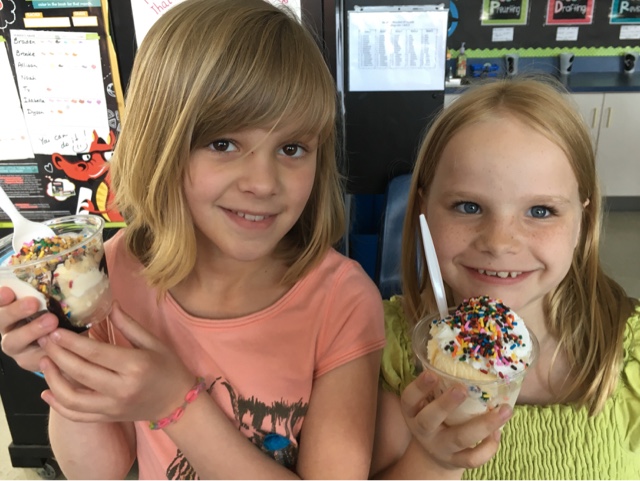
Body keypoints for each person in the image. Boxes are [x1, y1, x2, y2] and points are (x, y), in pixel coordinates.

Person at [0, 0, 386, 478]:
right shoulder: (111, 274)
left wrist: (175, 404)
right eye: (223, 144)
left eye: (292, 148)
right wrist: (63, 357)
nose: (263, 183)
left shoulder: (342, 302)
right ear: (158, 146)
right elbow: (97, 471)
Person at [369, 77, 640, 479]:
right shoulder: (389, 350)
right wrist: (434, 462)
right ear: (424, 209)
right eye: (468, 206)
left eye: (541, 211)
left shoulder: (629, 354)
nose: (499, 243)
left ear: (582, 221)